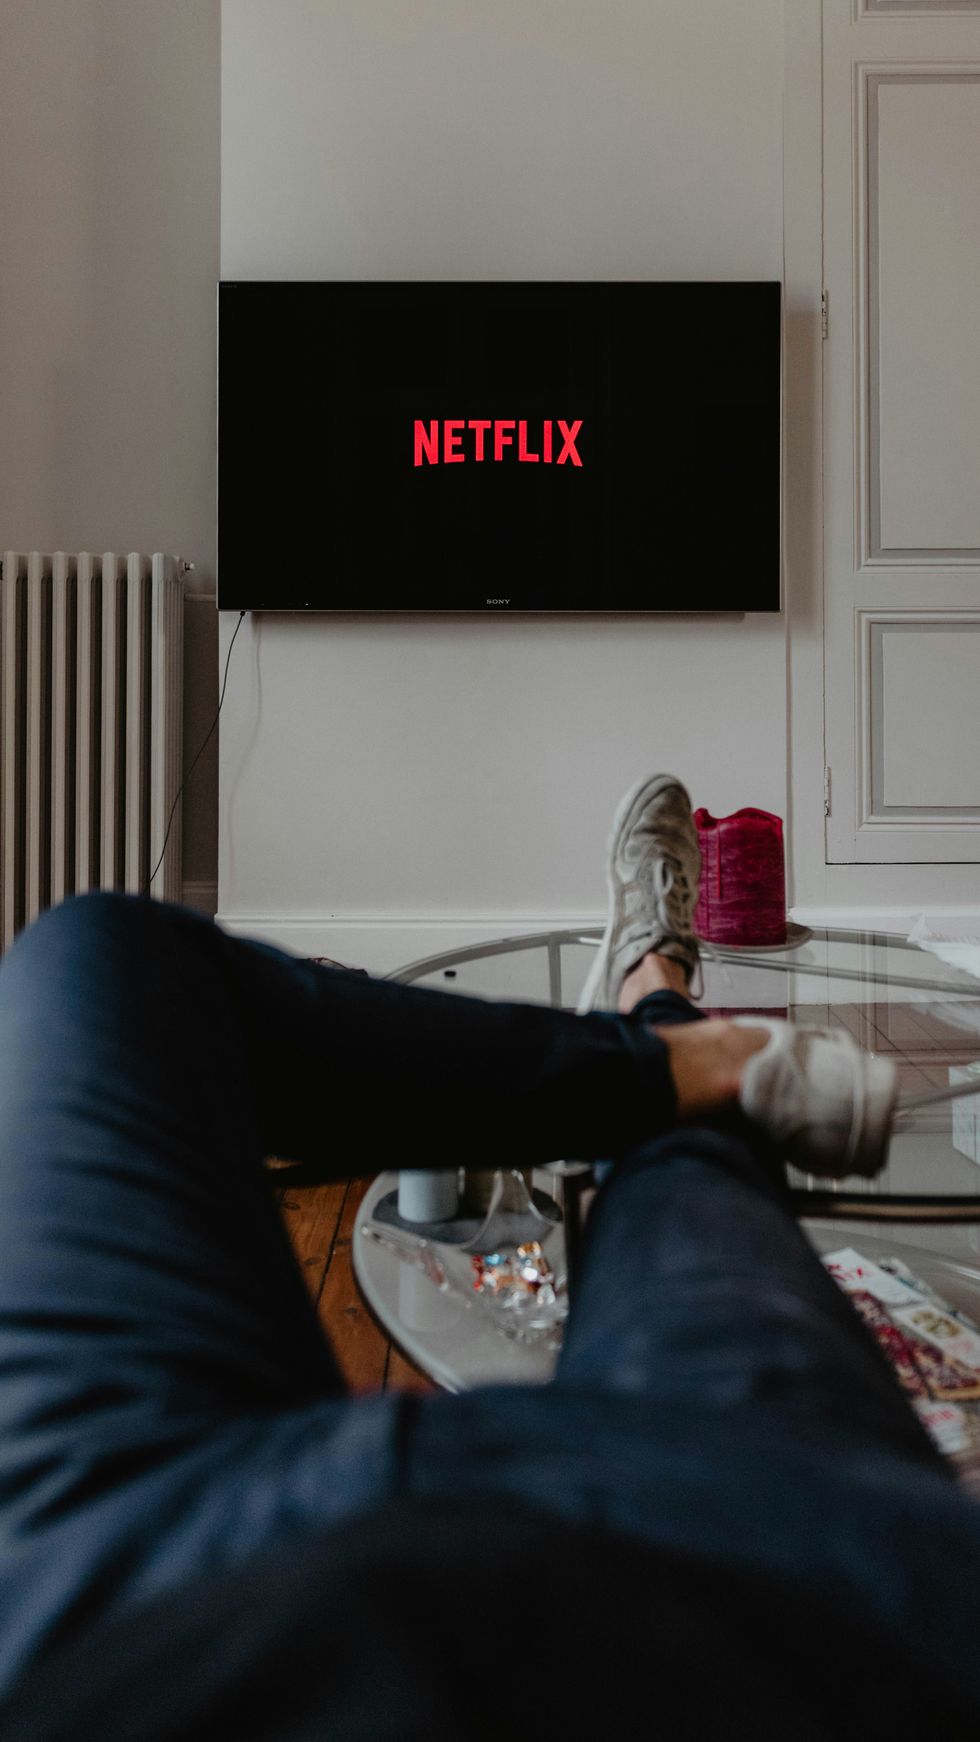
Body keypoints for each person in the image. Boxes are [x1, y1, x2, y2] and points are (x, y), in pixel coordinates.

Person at [0, 774, 979, 1740]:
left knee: (102, 951)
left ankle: (653, 1042)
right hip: (771, 1574)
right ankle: (662, 1005)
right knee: (688, 1148)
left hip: (130, 1602)